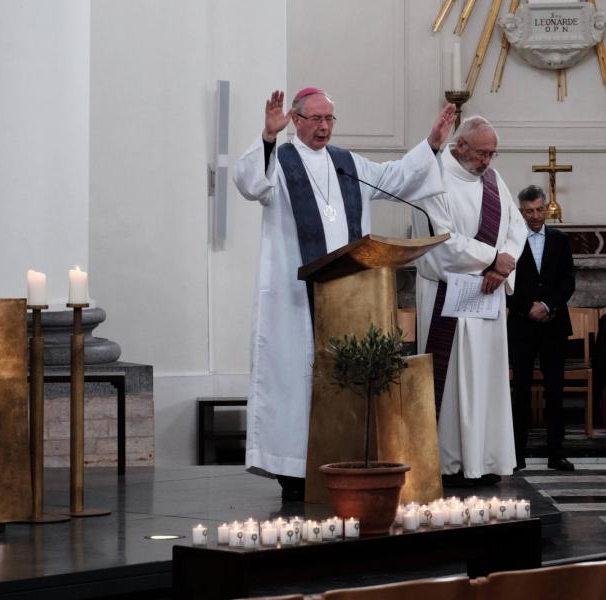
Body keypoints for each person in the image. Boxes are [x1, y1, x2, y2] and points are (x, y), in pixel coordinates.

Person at [234, 88, 457, 500]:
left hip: (349, 295)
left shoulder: (346, 163)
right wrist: (267, 137)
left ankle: (344, 456)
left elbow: (395, 177)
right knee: (298, 379)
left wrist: (433, 144)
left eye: (329, 119)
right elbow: (251, 184)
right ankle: (295, 470)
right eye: (316, 119)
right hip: (296, 298)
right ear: (295, 121)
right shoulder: (281, 162)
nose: (323, 127)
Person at [412, 116, 528, 486]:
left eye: (492, 154)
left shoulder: (493, 181)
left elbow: (517, 227)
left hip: (488, 297)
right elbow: (439, 243)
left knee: (487, 381)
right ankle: (449, 464)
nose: (487, 162)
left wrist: (503, 265)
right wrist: (491, 259)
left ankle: (488, 460)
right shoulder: (433, 178)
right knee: (453, 382)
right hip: (448, 296)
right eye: (482, 153)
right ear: (460, 146)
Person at [507, 185, 576, 472]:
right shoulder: (511, 240)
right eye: (529, 211)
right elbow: (508, 283)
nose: (535, 216)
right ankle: (516, 455)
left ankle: (556, 454)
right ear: (521, 212)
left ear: (546, 208)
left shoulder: (560, 240)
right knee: (519, 390)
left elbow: (567, 282)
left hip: (554, 324)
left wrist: (547, 305)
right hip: (522, 326)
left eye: (539, 209)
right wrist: (529, 308)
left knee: (555, 390)